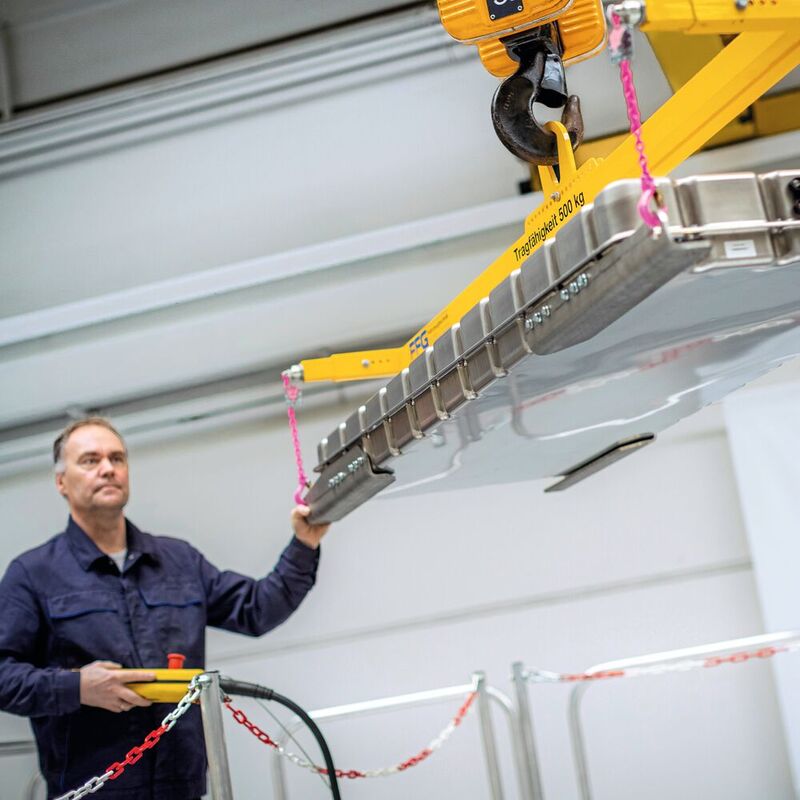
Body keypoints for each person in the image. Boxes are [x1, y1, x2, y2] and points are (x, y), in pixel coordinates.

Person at [0, 417, 329, 799]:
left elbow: (257, 609)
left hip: (182, 787)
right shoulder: (33, 574)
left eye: (117, 458)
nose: (108, 468)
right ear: (61, 482)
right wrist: (77, 687)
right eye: (90, 460)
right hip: (96, 790)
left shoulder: (178, 561)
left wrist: (304, 544)